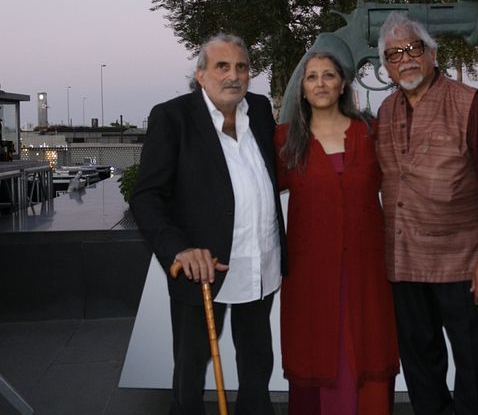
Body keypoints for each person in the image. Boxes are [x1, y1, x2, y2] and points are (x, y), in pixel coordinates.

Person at [130, 33, 287, 415]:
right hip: (202, 269)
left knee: (257, 363)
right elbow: (146, 196)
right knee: (191, 369)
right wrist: (178, 249)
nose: (233, 75)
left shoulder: (261, 109)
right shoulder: (172, 117)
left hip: (259, 264)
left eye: (241, 67)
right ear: (201, 75)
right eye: (222, 67)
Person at [376, 12, 478, 415]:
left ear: (432, 52)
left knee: (473, 369)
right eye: (393, 54)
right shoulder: (385, 112)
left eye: (413, 48)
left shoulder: (470, 103)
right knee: (421, 369)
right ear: (385, 66)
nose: (405, 59)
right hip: (404, 268)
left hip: (464, 266)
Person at [274, 52, 399, 415]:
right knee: (315, 348)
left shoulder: (370, 132)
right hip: (309, 273)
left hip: (367, 271)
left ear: (343, 83)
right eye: (311, 77)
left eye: (328, 75)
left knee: (368, 346)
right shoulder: (285, 139)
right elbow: (253, 191)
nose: (320, 83)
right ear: (302, 88)